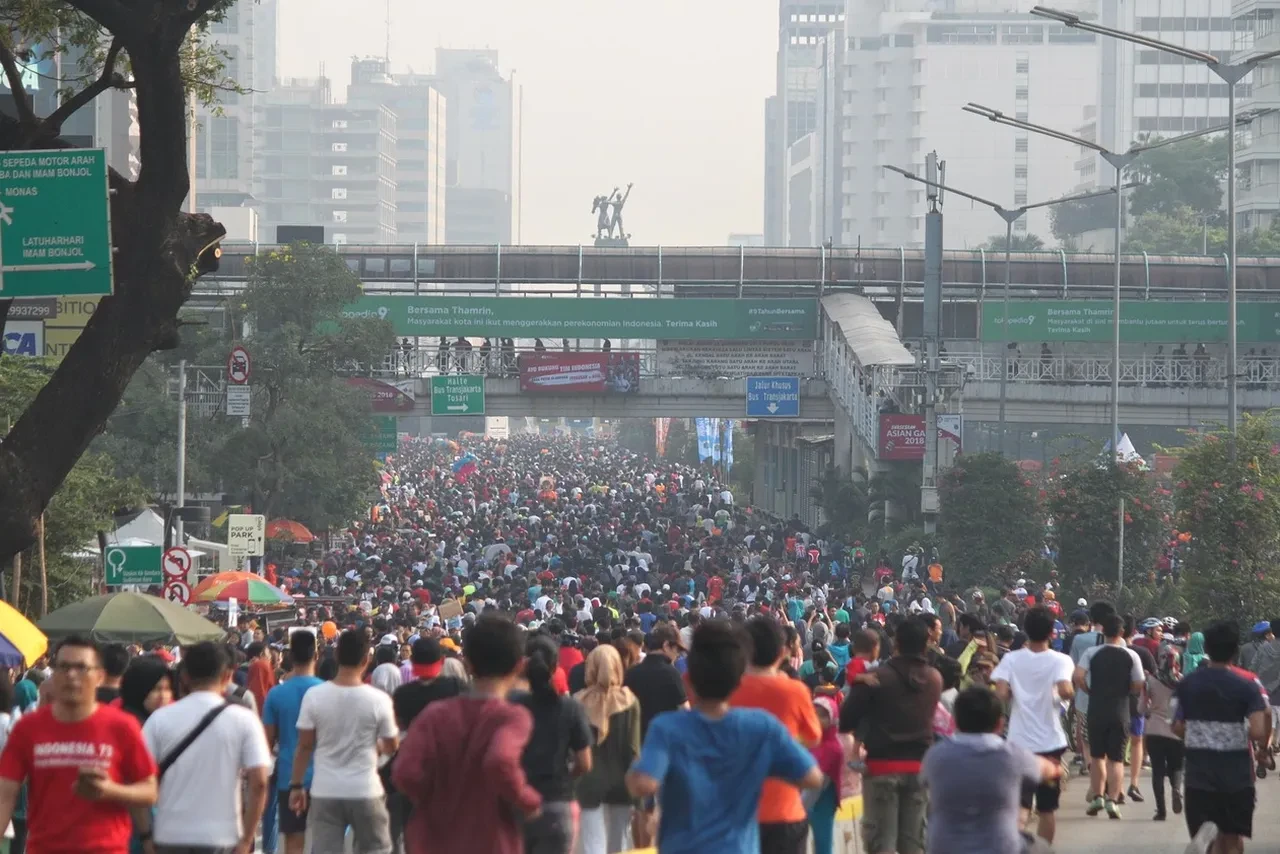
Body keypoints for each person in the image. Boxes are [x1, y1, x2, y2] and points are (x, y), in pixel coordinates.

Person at [624, 620, 823, 854]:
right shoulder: (762, 726)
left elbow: (643, 783)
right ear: (738, 679)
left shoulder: (667, 728)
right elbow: (812, 776)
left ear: (690, 680)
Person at [393, 614, 542, 854]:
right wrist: (529, 801)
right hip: (493, 840)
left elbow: (404, 772)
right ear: (519, 666)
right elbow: (500, 761)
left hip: (434, 839)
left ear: (468, 663)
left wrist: (434, 800)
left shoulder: (435, 715)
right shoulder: (514, 717)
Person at [0, 636, 158, 854]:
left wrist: (111, 790)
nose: (72, 675)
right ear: (52, 674)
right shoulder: (27, 729)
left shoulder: (122, 727)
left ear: (99, 676)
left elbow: (149, 790)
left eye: (81, 667)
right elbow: (5, 794)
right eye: (64, 667)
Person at [140, 641, 271, 854]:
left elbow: (140, 778)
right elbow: (260, 783)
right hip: (222, 837)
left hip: (169, 835)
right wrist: (247, 839)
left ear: (184, 677)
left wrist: (146, 836)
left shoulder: (158, 719)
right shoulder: (244, 719)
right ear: (228, 676)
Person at [289, 630, 399, 854]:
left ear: (336, 656)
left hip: (325, 790)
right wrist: (376, 748)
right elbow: (392, 745)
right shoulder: (379, 700)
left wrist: (297, 785)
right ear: (366, 660)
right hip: (366, 789)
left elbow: (305, 746)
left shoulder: (315, 696)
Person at [840, 616, 941, 854]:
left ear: (895, 643)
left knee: (881, 844)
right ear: (926, 643)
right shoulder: (935, 679)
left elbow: (846, 720)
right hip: (920, 769)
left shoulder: (877, 678)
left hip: (881, 768)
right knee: (914, 844)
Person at [921, 687, 1062, 854]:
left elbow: (924, 781)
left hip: (944, 848)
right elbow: (1045, 768)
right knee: (1044, 848)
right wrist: (1054, 769)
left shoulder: (935, 755)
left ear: (954, 721)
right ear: (1000, 724)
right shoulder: (1012, 756)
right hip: (1000, 848)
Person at [1174, 620, 1269, 854]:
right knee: (1233, 838)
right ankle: (1216, 831)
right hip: (1235, 772)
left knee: (1210, 829)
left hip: (1198, 772)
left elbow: (1176, 725)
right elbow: (1258, 729)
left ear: (1207, 648)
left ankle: (1208, 831)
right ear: (1235, 650)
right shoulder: (1248, 683)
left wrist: (1200, 733)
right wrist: (1262, 749)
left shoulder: (1187, 683)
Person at [731, 616, 822, 854]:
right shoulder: (795, 691)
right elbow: (813, 738)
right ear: (783, 652)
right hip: (785, 809)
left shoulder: (726, 690)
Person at [991, 605, 1074, 844]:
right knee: (1047, 809)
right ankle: (1044, 849)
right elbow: (1066, 690)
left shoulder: (1011, 659)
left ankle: (1016, 847)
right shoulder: (1061, 660)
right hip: (1051, 745)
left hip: (1019, 742)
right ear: (1052, 632)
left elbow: (1000, 694)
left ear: (1025, 631)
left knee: (1021, 803)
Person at [513, 634, 593, 854]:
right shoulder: (570, 708)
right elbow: (584, 763)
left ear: (523, 664)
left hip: (517, 803)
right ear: (555, 666)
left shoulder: (511, 705)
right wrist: (566, 777)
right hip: (558, 803)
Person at [1075, 613, 1143, 819]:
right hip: (1120, 711)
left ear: (1102, 631)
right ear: (1122, 633)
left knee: (1097, 757)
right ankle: (1113, 800)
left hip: (1096, 709)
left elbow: (1078, 676)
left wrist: (1089, 690)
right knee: (1116, 759)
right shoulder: (1131, 655)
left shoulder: (1091, 653)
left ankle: (1097, 796)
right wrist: (1125, 690)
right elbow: (1138, 684)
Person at [574, 644, 641, 854]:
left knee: (593, 844)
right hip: (622, 782)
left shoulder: (577, 702)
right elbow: (634, 748)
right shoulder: (630, 702)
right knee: (619, 844)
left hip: (587, 783)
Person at [263, 630, 324, 854]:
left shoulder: (276, 694)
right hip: (324, 777)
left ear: (289, 655)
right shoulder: (326, 691)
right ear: (316, 654)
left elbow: (266, 743)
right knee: (323, 842)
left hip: (288, 778)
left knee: (293, 843)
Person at [1145, 643, 1184, 822]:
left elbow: (1140, 708)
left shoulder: (1151, 681)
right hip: (1176, 731)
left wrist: (1149, 711)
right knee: (1176, 766)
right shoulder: (1183, 682)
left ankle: (1161, 811)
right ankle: (1176, 788)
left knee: (1158, 771)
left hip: (1154, 731)